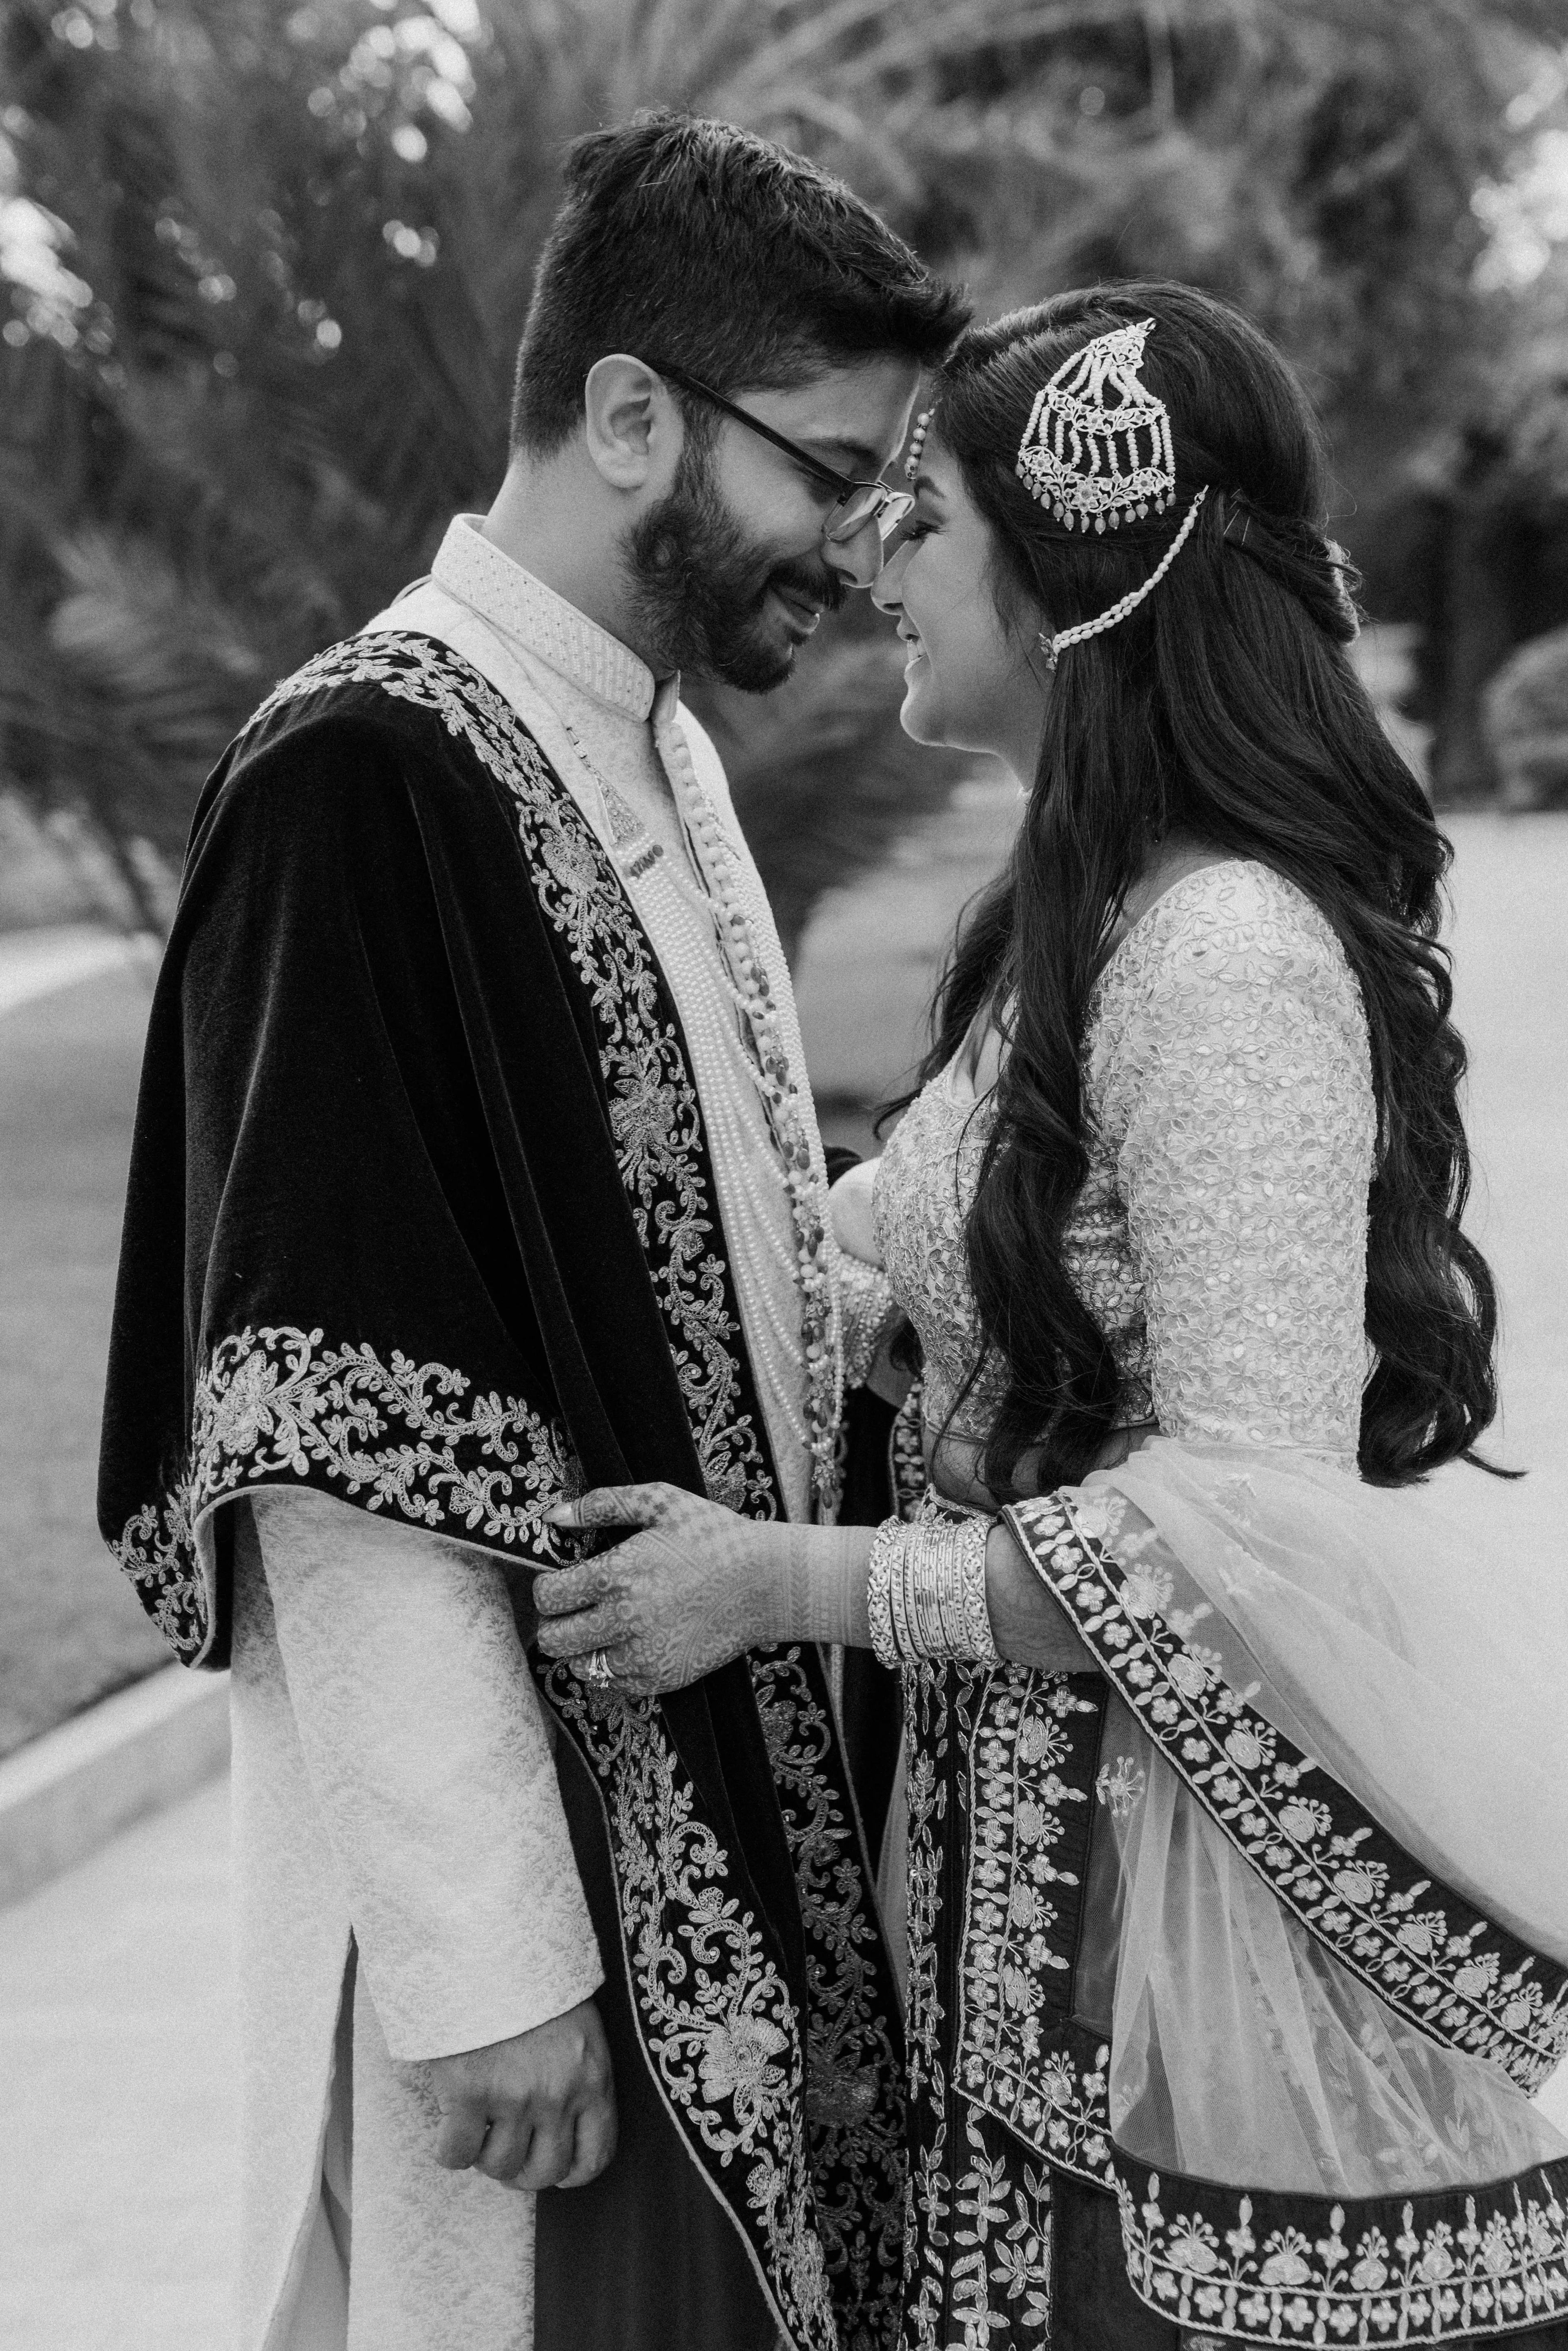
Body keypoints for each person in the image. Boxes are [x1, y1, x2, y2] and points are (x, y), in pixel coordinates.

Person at [535, 283, 1568, 2349]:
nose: (867, 556)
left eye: (920, 510)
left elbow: (1239, 1530)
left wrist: (785, 1586)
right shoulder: (1081, 929)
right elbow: (887, 1271)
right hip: (1034, 1938)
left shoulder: (1218, 953)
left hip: (1196, 1998)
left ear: (1083, 565)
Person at [97, 111, 968, 2351]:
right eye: (830, 471)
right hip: (560, 1907)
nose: (865, 550)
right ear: (627, 412)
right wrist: (490, 1960)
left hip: (737, 1809)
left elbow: (727, 1242)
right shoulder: (363, 774)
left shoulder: (640, 741)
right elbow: (327, 1412)